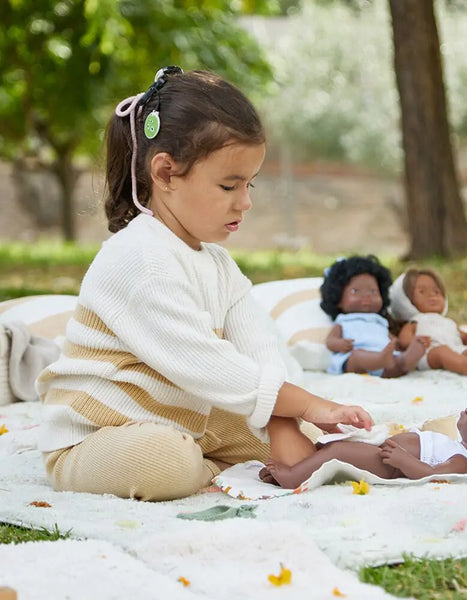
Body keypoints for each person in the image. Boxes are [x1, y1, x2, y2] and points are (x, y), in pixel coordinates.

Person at [35, 67, 373, 502]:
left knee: (305, 432)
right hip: (99, 434)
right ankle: (207, 466)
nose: (246, 201)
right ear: (166, 174)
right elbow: (202, 361)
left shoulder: (217, 263)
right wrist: (302, 402)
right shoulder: (140, 260)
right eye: (229, 185)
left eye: (249, 184)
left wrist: (285, 420)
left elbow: (258, 344)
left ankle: (212, 452)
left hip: (185, 413)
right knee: (167, 464)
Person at [260, 376, 467, 489]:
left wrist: (403, 460)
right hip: (386, 452)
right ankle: (300, 460)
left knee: (338, 453)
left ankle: (292, 476)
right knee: (331, 447)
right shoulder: (460, 449)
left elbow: (433, 477)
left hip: (389, 464)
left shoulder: (463, 465)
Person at [320, 255, 429, 377]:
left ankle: (405, 361)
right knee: (357, 355)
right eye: (355, 291)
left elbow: (390, 338)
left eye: (373, 291)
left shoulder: (379, 321)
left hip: (386, 358)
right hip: (357, 360)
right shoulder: (344, 321)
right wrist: (339, 344)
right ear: (337, 299)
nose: (366, 296)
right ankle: (381, 361)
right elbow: (330, 341)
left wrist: (397, 343)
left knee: (396, 359)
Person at [389, 267, 467, 375]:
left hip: (455, 350)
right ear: (406, 301)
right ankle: (463, 365)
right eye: (422, 292)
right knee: (441, 352)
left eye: (436, 292)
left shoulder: (449, 322)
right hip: (428, 354)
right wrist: (417, 342)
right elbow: (403, 340)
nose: (431, 295)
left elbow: (464, 338)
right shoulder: (414, 322)